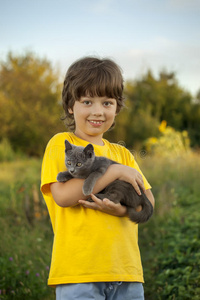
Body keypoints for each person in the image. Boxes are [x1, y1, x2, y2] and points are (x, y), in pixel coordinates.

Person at [41, 56, 155, 300]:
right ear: (71, 106)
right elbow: (62, 196)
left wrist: (121, 211)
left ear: (117, 107)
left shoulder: (123, 153)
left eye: (107, 102)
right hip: (79, 274)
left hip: (126, 272)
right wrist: (114, 172)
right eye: (87, 101)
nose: (97, 111)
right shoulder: (62, 145)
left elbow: (148, 201)